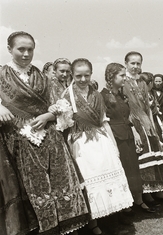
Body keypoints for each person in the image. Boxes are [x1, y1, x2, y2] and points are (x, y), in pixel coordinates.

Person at [0, 31, 89, 234]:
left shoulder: (41, 77)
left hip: (49, 138)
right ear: (9, 50)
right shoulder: (1, 75)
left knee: (58, 182)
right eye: (21, 49)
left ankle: (64, 226)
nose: (26, 54)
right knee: (31, 188)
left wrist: (48, 116)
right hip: (18, 141)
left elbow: (62, 104)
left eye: (30, 49)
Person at [50, 58, 133, 235]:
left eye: (86, 75)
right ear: (72, 74)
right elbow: (64, 126)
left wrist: (113, 145)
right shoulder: (66, 95)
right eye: (78, 75)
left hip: (101, 141)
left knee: (109, 179)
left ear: (91, 74)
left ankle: (112, 221)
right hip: (81, 144)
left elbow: (104, 122)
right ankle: (93, 224)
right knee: (90, 182)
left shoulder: (96, 94)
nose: (82, 79)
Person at [101, 63, 154, 213]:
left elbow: (128, 116)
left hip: (128, 134)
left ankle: (138, 201)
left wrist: (135, 132)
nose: (125, 78)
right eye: (122, 75)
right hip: (115, 136)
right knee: (123, 169)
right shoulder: (103, 96)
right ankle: (125, 205)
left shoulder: (122, 95)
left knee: (133, 169)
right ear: (111, 77)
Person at [123, 51, 163, 205]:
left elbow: (148, 108)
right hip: (133, 123)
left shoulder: (142, 83)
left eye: (138, 63)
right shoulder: (123, 82)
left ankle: (156, 189)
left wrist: (151, 125)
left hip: (147, 123)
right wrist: (134, 128)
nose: (135, 67)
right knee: (142, 154)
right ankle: (144, 194)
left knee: (154, 152)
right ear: (126, 64)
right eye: (133, 63)